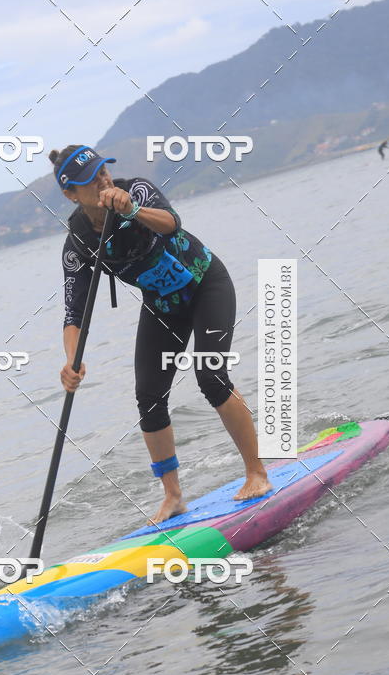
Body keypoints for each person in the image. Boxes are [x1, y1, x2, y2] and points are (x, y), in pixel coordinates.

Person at [52, 144, 271, 524]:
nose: (104, 182)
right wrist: (71, 361)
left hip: (205, 283)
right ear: (71, 195)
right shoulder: (78, 245)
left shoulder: (136, 192)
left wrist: (131, 211)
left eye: (105, 172)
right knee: (148, 397)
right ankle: (173, 497)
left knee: (210, 375)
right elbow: (75, 314)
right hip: (164, 305)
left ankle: (257, 473)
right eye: (92, 181)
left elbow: (173, 224)